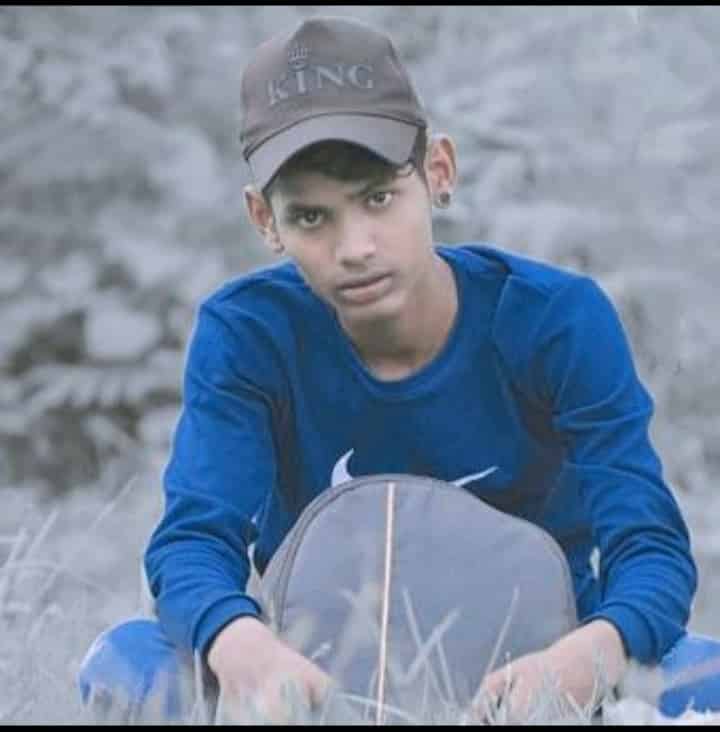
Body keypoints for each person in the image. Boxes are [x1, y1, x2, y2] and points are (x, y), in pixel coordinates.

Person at [77, 15, 720, 723]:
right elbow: (194, 541)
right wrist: (243, 646)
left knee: (707, 674)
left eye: (378, 198)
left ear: (438, 171)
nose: (355, 246)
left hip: (539, 679)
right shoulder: (249, 332)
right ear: (264, 220)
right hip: (317, 684)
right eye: (312, 217)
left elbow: (650, 547)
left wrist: (586, 658)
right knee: (127, 662)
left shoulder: (555, 319)